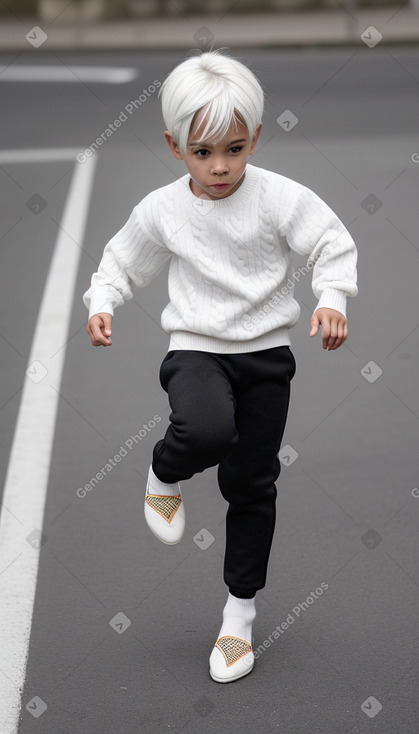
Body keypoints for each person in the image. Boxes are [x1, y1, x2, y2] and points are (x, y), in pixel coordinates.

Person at [83, 49, 358, 684]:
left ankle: (239, 617)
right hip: (197, 349)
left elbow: (330, 239)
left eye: (235, 149)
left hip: (266, 359)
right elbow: (123, 259)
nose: (220, 167)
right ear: (174, 144)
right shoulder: (163, 208)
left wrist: (333, 298)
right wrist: (104, 300)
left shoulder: (277, 198)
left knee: (252, 485)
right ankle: (163, 469)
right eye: (201, 152)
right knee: (206, 430)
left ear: (256, 138)